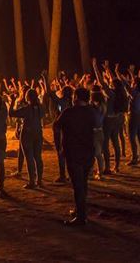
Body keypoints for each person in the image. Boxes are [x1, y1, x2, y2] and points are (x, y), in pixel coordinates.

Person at [57, 88, 99, 226]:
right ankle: (80, 210)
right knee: (84, 182)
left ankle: (81, 217)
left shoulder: (69, 112)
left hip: (73, 152)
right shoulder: (91, 112)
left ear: (76, 97)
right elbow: (97, 128)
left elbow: (56, 126)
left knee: (78, 185)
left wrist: (60, 146)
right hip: (88, 151)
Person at [9, 89, 45, 189]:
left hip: (27, 134)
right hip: (38, 133)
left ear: (27, 97)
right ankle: (40, 181)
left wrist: (12, 101)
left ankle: (32, 182)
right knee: (38, 157)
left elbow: (11, 113)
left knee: (29, 158)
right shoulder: (40, 108)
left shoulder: (27, 109)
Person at [52, 86, 74, 183]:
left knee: (60, 151)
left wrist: (45, 79)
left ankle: (62, 175)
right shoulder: (73, 104)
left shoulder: (61, 102)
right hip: (72, 129)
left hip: (61, 129)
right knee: (70, 152)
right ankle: (71, 175)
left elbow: (51, 94)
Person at [90, 88, 107, 180]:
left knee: (96, 154)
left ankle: (99, 173)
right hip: (100, 131)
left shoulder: (94, 109)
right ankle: (97, 172)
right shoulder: (103, 106)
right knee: (97, 153)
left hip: (94, 132)